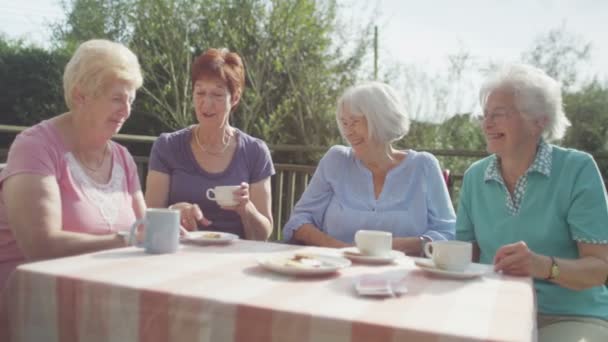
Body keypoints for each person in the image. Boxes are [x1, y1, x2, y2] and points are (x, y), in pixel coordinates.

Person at [456, 63, 608, 341]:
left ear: (539, 120)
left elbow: (599, 268)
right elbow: (466, 257)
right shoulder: (474, 177)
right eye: (484, 115)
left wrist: (543, 266)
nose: (487, 124)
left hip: (568, 315)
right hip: (494, 309)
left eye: (499, 114)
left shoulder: (577, 169)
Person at [0, 39, 146, 290]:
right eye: (117, 99)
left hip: (108, 294)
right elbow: (41, 246)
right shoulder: (35, 148)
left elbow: (146, 229)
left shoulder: (123, 158)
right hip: (32, 301)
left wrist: (173, 223)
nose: (127, 110)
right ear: (81, 96)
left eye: (130, 100)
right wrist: (126, 240)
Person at [282, 81, 455, 254]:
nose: (347, 132)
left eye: (355, 122)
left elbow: (448, 232)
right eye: (344, 123)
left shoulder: (423, 165)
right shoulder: (336, 160)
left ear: (380, 120)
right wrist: (342, 250)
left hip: (404, 273)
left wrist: (388, 248)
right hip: (336, 267)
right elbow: (299, 221)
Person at [145, 48, 274, 241]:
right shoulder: (167, 146)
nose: (206, 103)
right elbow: (148, 218)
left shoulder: (255, 151)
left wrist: (246, 209)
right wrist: (172, 212)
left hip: (234, 260)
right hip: (179, 256)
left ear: (235, 97)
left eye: (217, 95)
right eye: (200, 93)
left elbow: (264, 235)